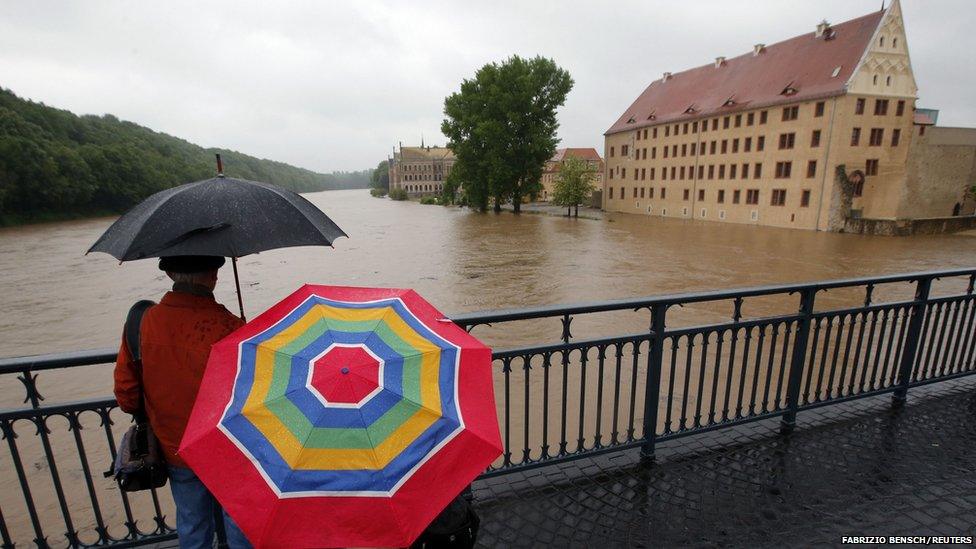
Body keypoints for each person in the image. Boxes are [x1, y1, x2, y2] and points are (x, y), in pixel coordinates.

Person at [114, 255, 249, 548]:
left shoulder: (142, 324)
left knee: (192, 522)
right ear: (214, 274)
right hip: (226, 448)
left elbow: (126, 394)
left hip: (175, 447)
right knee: (239, 520)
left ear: (171, 273)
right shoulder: (231, 327)